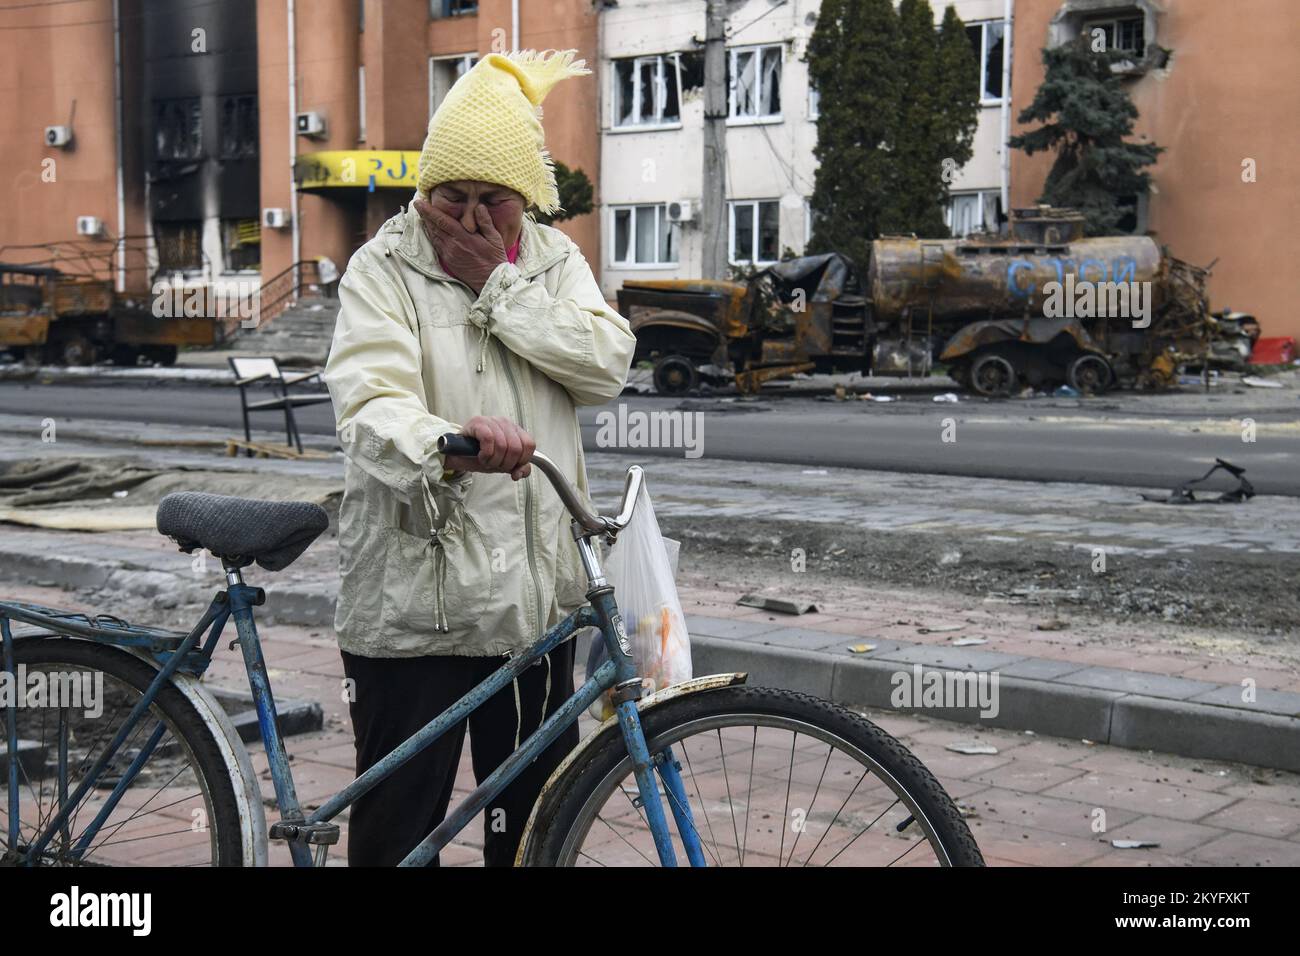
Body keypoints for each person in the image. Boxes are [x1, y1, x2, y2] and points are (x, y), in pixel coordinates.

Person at [322, 49, 635, 866]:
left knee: (533, 827)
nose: (467, 219)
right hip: (416, 610)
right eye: (448, 196)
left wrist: (496, 284)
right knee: (399, 827)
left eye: (490, 199)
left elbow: (605, 364)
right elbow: (368, 404)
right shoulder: (382, 267)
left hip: (533, 610)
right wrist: (449, 446)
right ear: (425, 189)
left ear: (523, 198)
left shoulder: (549, 261)